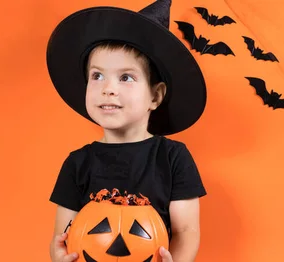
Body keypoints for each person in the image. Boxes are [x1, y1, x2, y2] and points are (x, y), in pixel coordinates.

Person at [45, 0, 207, 261]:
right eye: (97, 76)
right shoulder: (77, 163)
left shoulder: (173, 158)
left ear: (155, 96)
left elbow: (186, 230)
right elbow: (63, 234)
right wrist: (59, 256)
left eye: (126, 77)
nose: (108, 88)